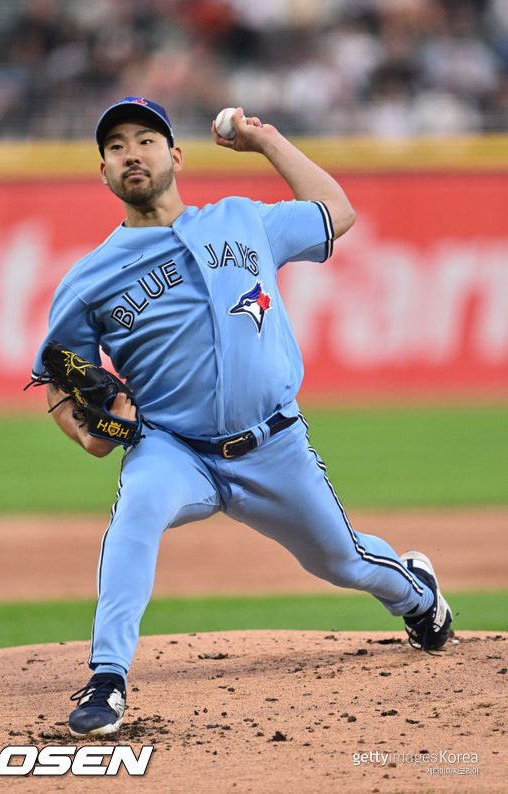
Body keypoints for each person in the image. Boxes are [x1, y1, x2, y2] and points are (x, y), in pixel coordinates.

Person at [31, 96, 452, 738]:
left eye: (144, 140)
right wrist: (88, 432)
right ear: (105, 173)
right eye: (115, 147)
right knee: (136, 511)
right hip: (173, 448)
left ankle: (418, 595)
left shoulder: (241, 220)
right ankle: (107, 679)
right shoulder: (88, 280)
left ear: (174, 157)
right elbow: (59, 378)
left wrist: (268, 143)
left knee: (341, 561)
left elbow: (338, 213)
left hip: (274, 445)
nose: (130, 153)